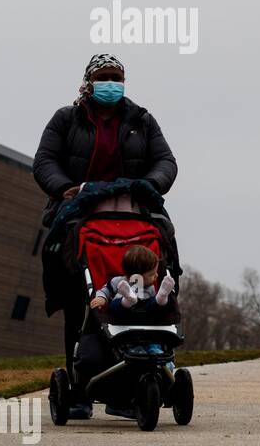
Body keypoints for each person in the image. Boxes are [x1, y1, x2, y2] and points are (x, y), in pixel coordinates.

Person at [33, 54, 178, 418]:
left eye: (117, 78)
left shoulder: (142, 120)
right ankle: (80, 388)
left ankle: (133, 385)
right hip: (80, 211)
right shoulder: (66, 119)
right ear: (89, 81)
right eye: (104, 77)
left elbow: (166, 162)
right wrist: (66, 188)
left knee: (158, 263)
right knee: (78, 297)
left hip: (132, 212)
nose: (111, 83)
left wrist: (150, 185)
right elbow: (44, 161)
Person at [88, 245, 176, 316]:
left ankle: (161, 299)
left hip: (144, 316)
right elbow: (105, 291)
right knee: (114, 305)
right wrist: (102, 298)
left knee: (152, 304)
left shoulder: (150, 288)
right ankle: (127, 300)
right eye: (152, 274)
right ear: (137, 276)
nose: (156, 275)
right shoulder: (119, 282)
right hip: (120, 315)